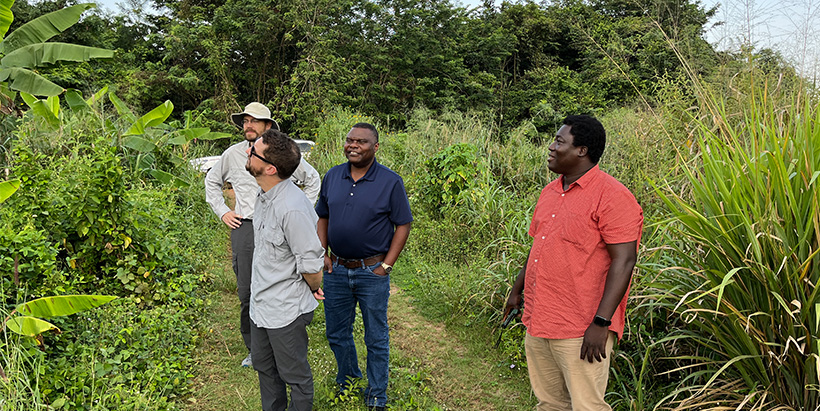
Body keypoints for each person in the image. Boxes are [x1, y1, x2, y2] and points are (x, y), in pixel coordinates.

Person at [503, 115, 643, 411]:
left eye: (559, 141)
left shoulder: (613, 197)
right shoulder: (550, 191)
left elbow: (624, 261)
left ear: (582, 150)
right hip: (539, 318)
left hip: (582, 328)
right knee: (550, 403)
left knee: (587, 406)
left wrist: (601, 323)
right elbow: (538, 246)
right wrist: (516, 291)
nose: (551, 147)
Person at [204, 102, 321, 367]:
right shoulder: (233, 154)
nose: (248, 124)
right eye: (245, 120)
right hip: (246, 227)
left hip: (279, 229)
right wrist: (223, 211)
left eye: (254, 120)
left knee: (286, 282)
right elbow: (212, 182)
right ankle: (255, 348)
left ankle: (289, 337)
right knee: (247, 290)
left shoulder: (282, 154)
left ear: (268, 126)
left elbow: (312, 179)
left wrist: (303, 213)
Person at [315, 122, 413, 411]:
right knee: (336, 332)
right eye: (349, 140)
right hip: (336, 270)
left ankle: (377, 393)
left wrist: (386, 265)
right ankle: (347, 380)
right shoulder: (333, 176)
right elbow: (323, 216)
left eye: (361, 142)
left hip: (372, 272)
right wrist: (322, 253)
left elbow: (403, 224)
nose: (353, 145)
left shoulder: (390, 181)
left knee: (376, 336)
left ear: (375, 147)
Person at [244, 128, 325, 411]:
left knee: (295, 378)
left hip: (285, 311)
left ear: (270, 167)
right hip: (261, 306)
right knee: (265, 369)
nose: (247, 151)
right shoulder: (263, 196)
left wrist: (314, 287)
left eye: (253, 150)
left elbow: (312, 264)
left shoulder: (292, 207)